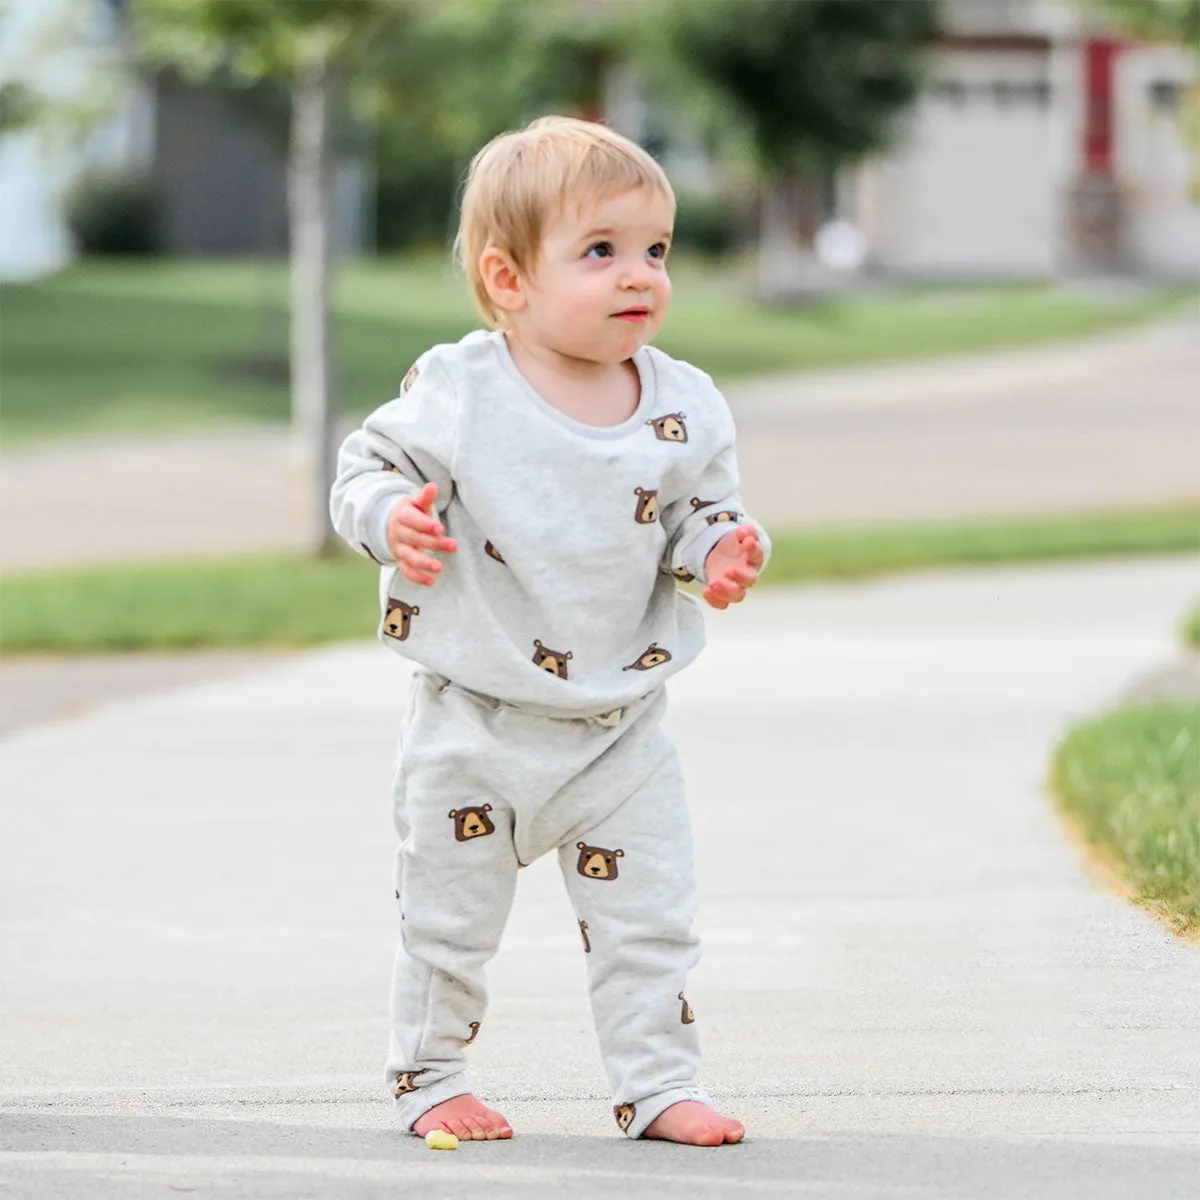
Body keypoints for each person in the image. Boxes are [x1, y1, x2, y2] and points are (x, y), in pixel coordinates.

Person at [329, 115, 768, 1147]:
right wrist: (389, 519)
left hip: (619, 728)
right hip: (473, 722)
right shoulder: (461, 389)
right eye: (602, 251)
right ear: (510, 278)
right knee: (447, 923)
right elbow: (365, 470)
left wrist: (720, 552)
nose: (641, 276)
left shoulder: (684, 407)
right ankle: (430, 1077)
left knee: (652, 921)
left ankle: (658, 1086)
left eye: (656, 250)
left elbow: (698, 515)